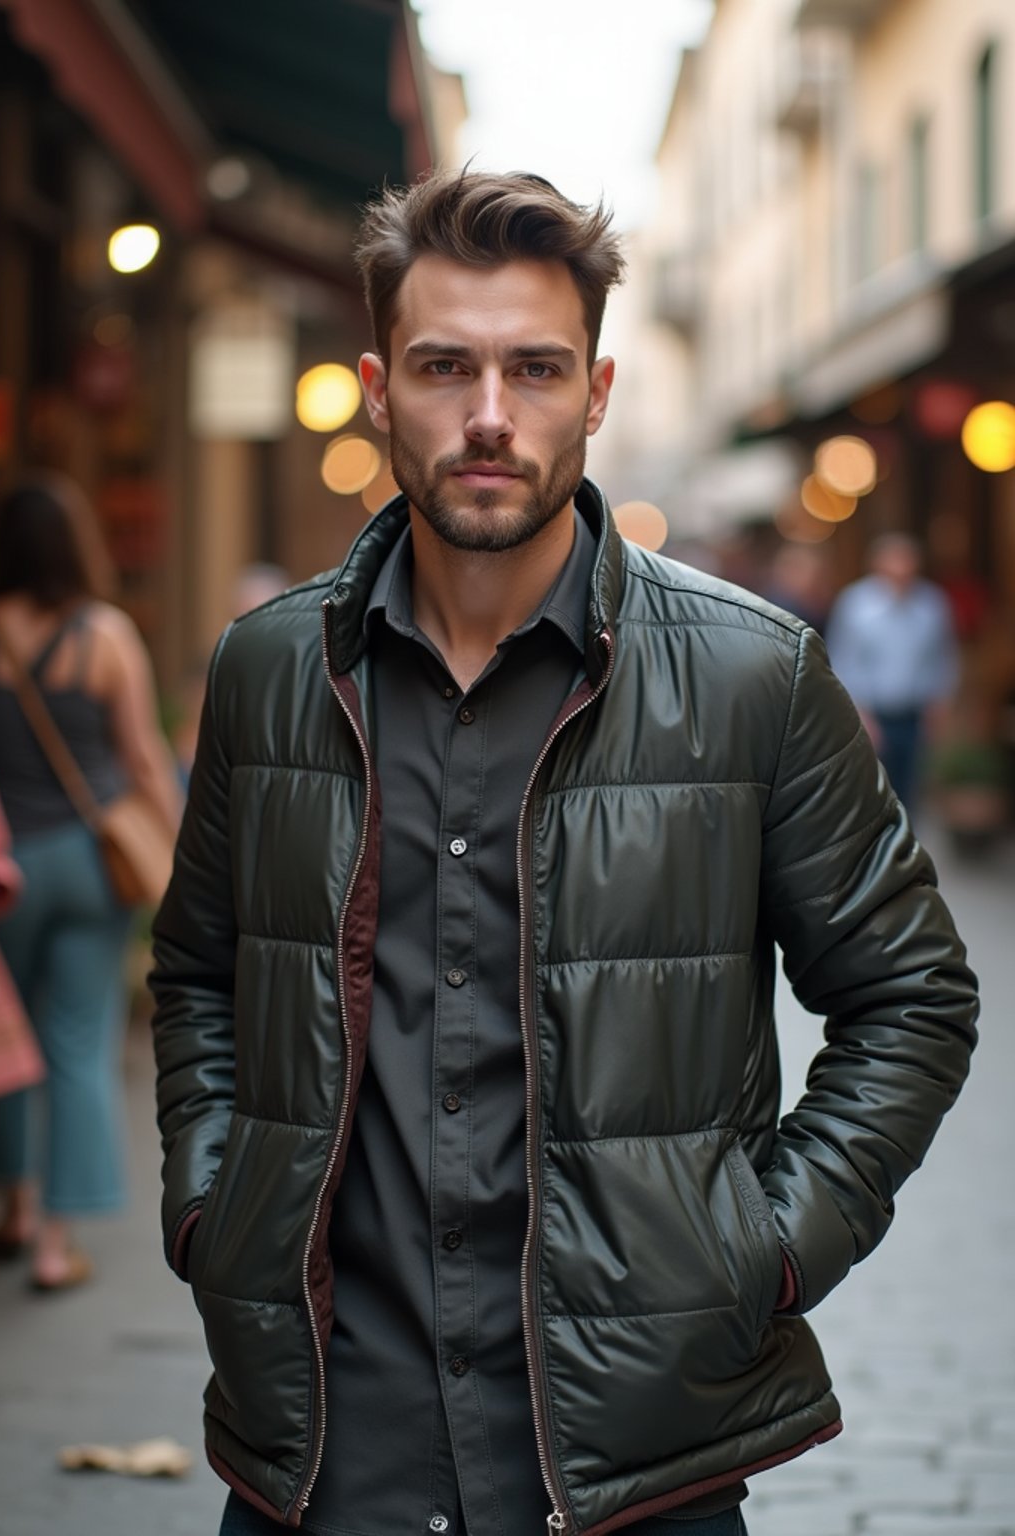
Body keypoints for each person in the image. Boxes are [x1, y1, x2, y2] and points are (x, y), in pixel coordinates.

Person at [150, 171, 978, 1536]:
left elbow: (912, 995)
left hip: (633, 1467)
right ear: (376, 385)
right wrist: (209, 1206)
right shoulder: (269, 671)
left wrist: (761, 1253)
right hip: (325, 1459)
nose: (489, 416)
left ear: (594, 393)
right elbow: (196, 973)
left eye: (534, 369)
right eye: (444, 367)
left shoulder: (753, 678)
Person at [0, 475, 182, 1289]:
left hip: (4, 866)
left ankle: (18, 1206)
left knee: (6, 1041)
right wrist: (180, 850)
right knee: (77, 1042)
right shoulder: (104, 635)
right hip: (88, 862)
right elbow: (140, 757)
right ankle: (53, 1245)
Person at [825, 533, 959, 812]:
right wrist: (860, 715)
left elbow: (943, 657)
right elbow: (844, 662)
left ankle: (907, 849)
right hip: (873, 714)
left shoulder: (931, 604)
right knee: (875, 791)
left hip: (915, 713)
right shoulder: (855, 604)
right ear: (877, 565)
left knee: (911, 791)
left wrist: (940, 704)